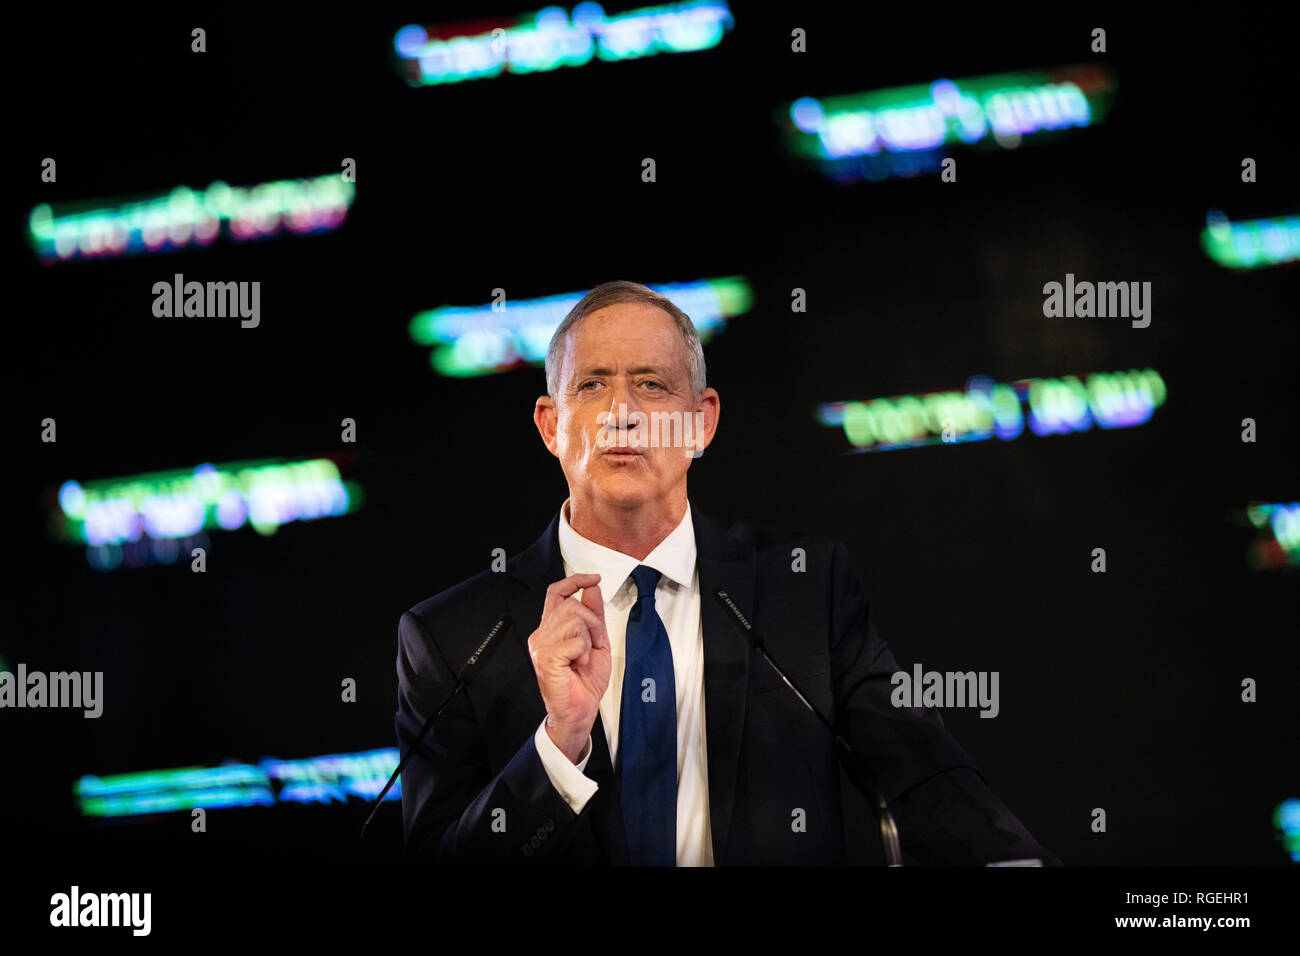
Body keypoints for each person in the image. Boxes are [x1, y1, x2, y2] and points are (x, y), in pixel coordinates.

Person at [394, 280, 1059, 866]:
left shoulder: (805, 593)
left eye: (652, 385)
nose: (622, 411)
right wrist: (559, 745)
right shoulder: (455, 637)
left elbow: (920, 774)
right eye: (592, 385)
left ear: (702, 422)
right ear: (551, 426)